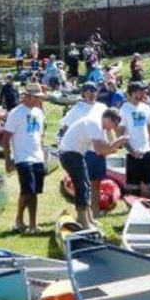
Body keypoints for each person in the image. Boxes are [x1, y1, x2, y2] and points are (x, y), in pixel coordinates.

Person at [59, 108, 127, 228]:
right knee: (81, 187)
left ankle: (88, 219)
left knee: (86, 186)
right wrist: (118, 142)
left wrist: (114, 145)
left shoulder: (99, 128)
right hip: (70, 154)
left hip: (77, 154)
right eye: (114, 124)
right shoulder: (95, 124)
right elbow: (101, 150)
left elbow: (104, 151)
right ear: (108, 118)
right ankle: (83, 221)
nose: (113, 128)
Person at [2, 84, 47, 234]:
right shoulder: (16, 113)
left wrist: (43, 154)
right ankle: (23, 221)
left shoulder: (39, 112)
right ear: (27, 97)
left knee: (34, 192)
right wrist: (8, 159)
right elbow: (6, 137)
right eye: (36, 97)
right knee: (28, 190)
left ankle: (29, 223)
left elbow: (40, 135)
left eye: (39, 97)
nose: (39, 100)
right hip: (22, 156)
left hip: (37, 156)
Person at [60, 82, 108, 218]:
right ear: (83, 93)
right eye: (88, 91)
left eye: (93, 90)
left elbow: (107, 126)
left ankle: (96, 211)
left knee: (97, 182)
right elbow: (64, 127)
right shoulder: (77, 108)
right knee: (84, 183)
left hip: (98, 149)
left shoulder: (102, 107)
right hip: (84, 150)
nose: (91, 93)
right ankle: (84, 213)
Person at [118, 82, 150, 198]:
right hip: (133, 154)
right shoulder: (124, 109)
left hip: (147, 152)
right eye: (140, 91)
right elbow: (120, 133)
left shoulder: (146, 108)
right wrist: (131, 151)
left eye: (143, 91)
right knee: (134, 188)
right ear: (131, 93)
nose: (143, 94)